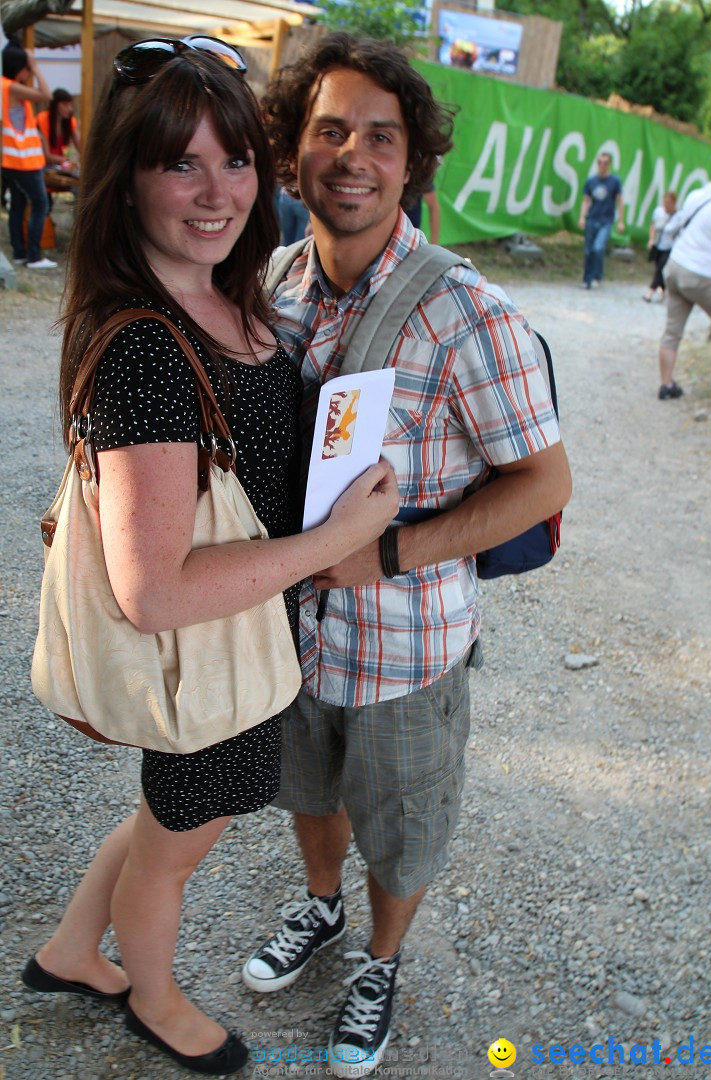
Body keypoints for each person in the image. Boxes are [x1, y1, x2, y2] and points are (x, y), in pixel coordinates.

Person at [21, 37, 398, 1077]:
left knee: (163, 816)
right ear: (125, 179)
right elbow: (153, 594)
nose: (215, 190)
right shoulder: (145, 343)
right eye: (177, 162)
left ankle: (66, 951)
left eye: (233, 159)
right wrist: (333, 542)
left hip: (245, 641)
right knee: (179, 841)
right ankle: (153, 997)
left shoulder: (228, 297)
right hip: (210, 658)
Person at [242, 32, 571, 1079]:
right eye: (329, 129)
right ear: (294, 147)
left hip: (406, 643)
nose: (353, 155)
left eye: (380, 138)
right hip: (285, 630)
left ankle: (380, 959)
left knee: (404, 821)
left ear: (412, 163)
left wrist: (390, 554)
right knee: (307, 790)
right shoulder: (272, 284)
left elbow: (546, 483)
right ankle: (323, 909)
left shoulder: (467, 310)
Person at [657, 162, 711, 400]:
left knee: (672, 331)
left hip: (676, 267)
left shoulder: (696, 195)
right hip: (701, 275)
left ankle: (666, 384)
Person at [1, 41, 56, 269]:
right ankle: (34, 256)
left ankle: (20, 253)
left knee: (17, 204)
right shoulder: (11, 87)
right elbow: (46, 95)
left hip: (10, 159)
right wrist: (36, 67)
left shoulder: (3, 86)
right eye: (26, 67)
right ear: (20, 67)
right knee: (40, 204)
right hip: (24, 160)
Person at [578, 151, 624, 289]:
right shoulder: (591, 181)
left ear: (609, 164)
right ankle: (587, 279)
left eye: (605, 162)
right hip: (592, 219)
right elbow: (586, 200)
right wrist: (582, 217)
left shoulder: (614, 181)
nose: (602, 165)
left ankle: (597, 275)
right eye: (600, 162)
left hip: (606, 220)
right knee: (588, 250)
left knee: (598, 247)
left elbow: (619, 201)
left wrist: (621, 221)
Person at [644, 190, 677, 302]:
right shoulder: (658, 212)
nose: (666, 205)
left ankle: (650, 291)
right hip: (658, 244)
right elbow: (653, 225)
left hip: (670, 247)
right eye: (665, 202)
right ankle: (663, 290)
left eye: (669, 203)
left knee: (661, 267)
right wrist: (651, 239)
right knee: (659, 267)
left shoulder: (678, 216)